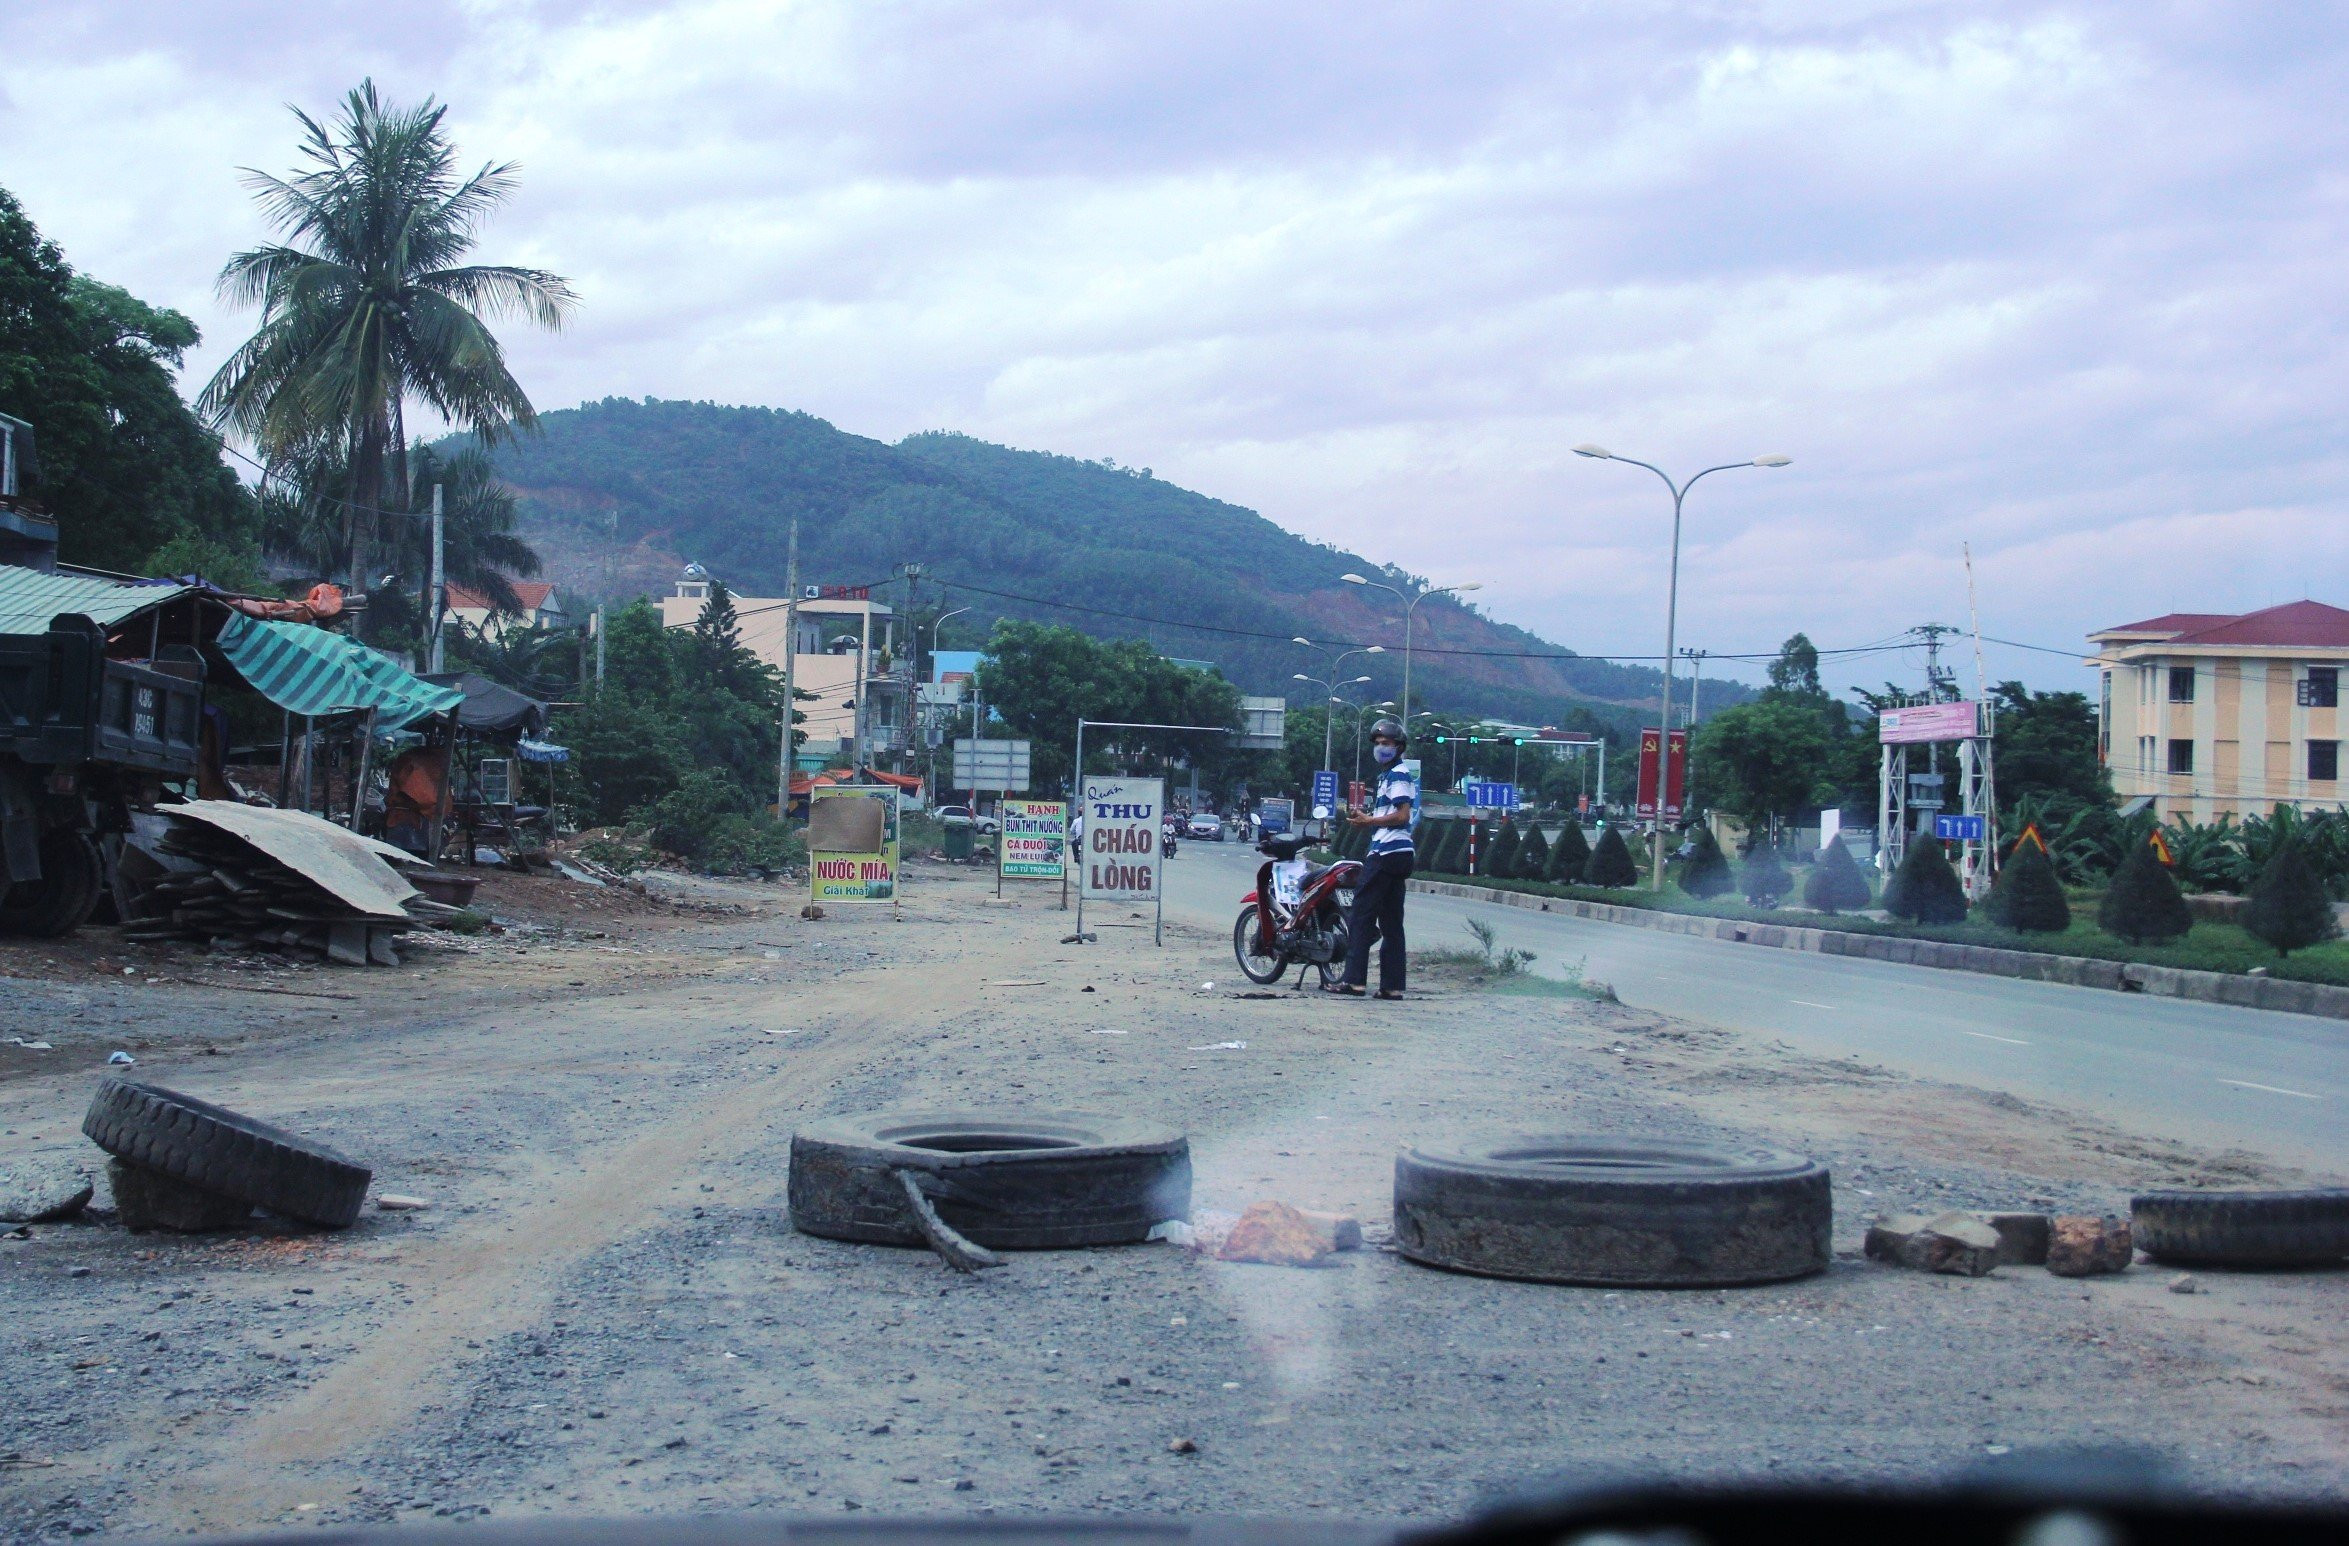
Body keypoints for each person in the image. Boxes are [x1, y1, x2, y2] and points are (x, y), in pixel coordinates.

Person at [1329, 717, 1415, 999]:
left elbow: (1402, 816)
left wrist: (1370, 821)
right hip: (1401, 854)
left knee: (1360, 916)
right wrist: (1367, 818)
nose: (1381, 748)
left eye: (1386, 743)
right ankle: (1392, 986)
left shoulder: (1397, 775)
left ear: (1399, 747)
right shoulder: (1388, 776)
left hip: (1385, 852)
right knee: (1392, 922)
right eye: (1377, 743)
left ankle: (1354, 981)